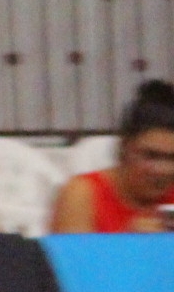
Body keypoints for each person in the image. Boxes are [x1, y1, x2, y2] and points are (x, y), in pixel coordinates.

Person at [53, 83, 174, 234]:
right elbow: (71, 249)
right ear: (124, 148)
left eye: (172, 159)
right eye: (151, 156)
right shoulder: (83, 195)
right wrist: (127, 240)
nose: (163, 170)